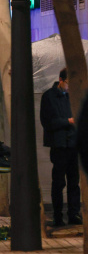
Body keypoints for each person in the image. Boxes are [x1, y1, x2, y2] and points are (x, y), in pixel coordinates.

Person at [40, 68, 82, 226]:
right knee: (58, 182)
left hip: (73, 144)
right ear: (61, 80)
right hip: (58, 144)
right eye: (68, 83)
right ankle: (58, 215)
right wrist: (68, 121)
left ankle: (74, 213)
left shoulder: (75, 95)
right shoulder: (49, 97)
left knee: (74, 182)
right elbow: (47, 122)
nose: (70, 87)